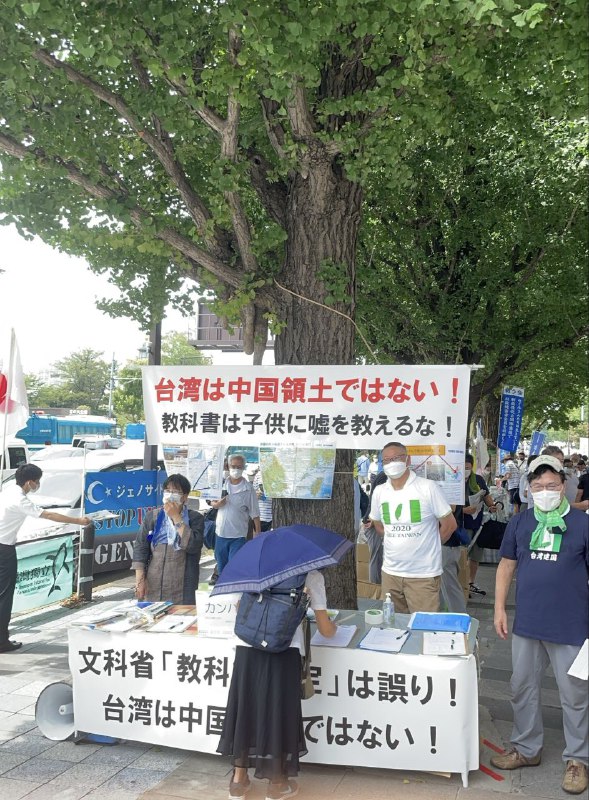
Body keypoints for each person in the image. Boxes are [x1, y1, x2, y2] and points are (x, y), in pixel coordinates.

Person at [492, 455, 588, 795]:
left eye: (551, 486)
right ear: (529, 489)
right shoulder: (521, 522)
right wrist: (499, 608)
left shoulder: (582, 523)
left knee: (574, 694)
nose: (544, 491)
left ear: (563, 486)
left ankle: (578, 759)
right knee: (523, 687)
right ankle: (526, 749)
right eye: (537, 486)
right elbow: (505, 566)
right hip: (528, 622)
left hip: (572, 624)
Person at [218, 571, 337, 800]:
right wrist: (335, 628)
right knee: (279, 712)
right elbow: (325, 630)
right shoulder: (311, 575)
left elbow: (239, 607)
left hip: (247, 647)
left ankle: (238, 781)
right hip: (284, 650)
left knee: (245, 709)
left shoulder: (255, 567)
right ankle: (277, 783)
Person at [0, 463, 92, 653]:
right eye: (37, 481)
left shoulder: (9, 490)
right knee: (4, 595)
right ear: (29, 482)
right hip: (4, 549)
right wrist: (78, 521)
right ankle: (2, 641)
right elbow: (48, 515)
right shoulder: (20, 500)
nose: (38, 485)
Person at [369, 441, 457, 613]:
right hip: (390, 574)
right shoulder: (380, 491)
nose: (391, 463)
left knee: (423, 629)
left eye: (396, 458)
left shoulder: (427, 488)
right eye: (386, 460)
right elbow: (377, 523)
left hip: (422, 575)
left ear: (408, 460)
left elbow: (449, 525)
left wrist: (429, 545)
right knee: (392, 627)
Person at [132, 473, 204, 604]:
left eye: (176, 491)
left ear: (185, 497)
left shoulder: (195, 518)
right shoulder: (152, 517)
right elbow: (142, 546)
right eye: (167, 491)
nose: (170, 495)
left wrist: (176, 517)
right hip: (154, 582)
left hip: (182, 585)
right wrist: (140, 580)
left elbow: (193, 546)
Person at [210, 453, 260, 574]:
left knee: (234, 567)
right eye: (233, 466)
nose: (236, 469)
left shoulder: (248, 489)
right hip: (220, 534)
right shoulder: (221, 484)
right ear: (228, 466)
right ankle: (222, 591)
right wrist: (216, 505)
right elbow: (211, 501)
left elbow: (255, 514)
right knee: (221, 566)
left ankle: (235, 591)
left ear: (243, 468)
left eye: (239, 467)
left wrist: (257, 534)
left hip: (238, 536)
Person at [462, 454, 497, 597]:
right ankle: (462, 584)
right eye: (463, 468)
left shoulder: (478, 480)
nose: (465, 470)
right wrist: (464, 510)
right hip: (461, 525)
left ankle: (470, 582)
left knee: (475, 556)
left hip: (478, 523)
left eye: (468, 468)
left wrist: (492, 506)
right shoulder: (453, 481)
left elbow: (486, 496)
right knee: (462, 556)